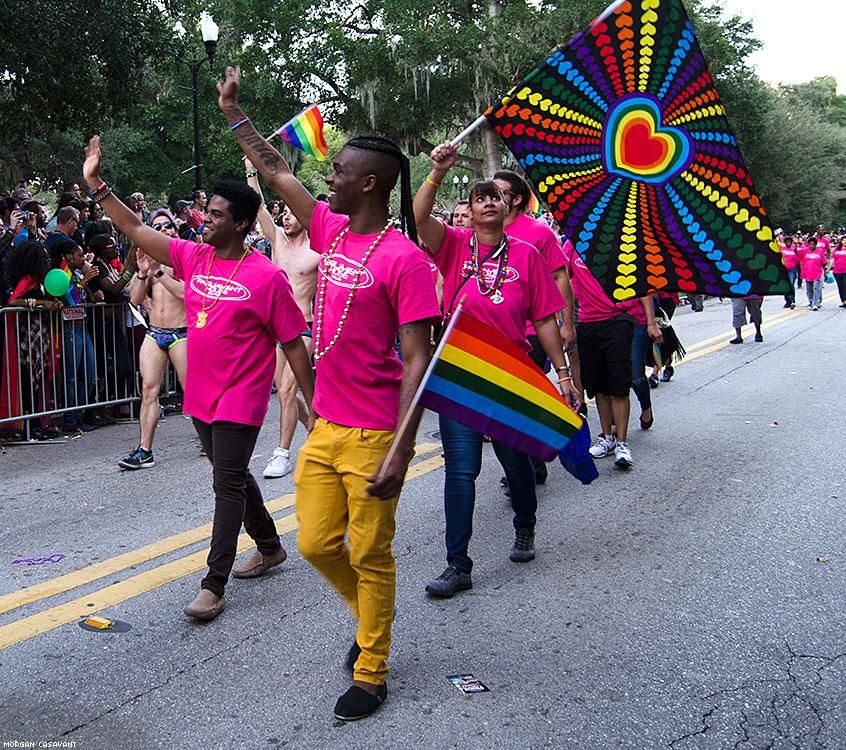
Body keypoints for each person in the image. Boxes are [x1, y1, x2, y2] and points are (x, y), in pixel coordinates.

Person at [217, 65, 440, 721]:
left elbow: (418, 359)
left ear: (368, 182)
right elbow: (277, 170)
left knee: (370, 552)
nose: (328, 179)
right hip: (328, 427)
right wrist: (235, 114)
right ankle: (369, 616)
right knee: (315, 543)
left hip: (375, 433)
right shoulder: (331, 231)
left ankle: (371, 669)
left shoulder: (405, 261)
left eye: (339, 171)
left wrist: (401, 452)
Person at [82, 135, 316, 624]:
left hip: (242, 398)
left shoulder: (265, 277)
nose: (204, 219)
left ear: (243, 223)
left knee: (226, 483)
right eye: (205, 212)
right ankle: (270, 546)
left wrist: (315, 403)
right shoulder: (194, 256)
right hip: (202, 395)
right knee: (228, 472)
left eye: (215, 214)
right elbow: (134, 227)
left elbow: (293, 343)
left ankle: (214, 583)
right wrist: (96, 184)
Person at [414, 142, 578, 597]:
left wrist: (563, 375)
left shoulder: (527, 254)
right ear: (468, 209)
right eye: (479, 197)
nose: (488, 201)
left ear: (508, 207)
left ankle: (525, 525)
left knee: (515, 461)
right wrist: (437, 173)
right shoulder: (452, 245)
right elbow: (420, 214)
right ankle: (457, 564)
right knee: (461, 469)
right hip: (461, 373)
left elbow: (545, 318)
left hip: (510, 371)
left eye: (495, 197)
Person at [245, 159, 320, 478]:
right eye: (284, 213)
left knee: (288, 390)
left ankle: (282, 453)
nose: (287, 217)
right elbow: (258, 204)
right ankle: (312, 423)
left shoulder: (317, 251)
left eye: (293, 212)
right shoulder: (276, 240)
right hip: (274, 327)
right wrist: (251, 170)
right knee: (281, 387)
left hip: (303, 328)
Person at [567, 249, 662, 468]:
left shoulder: (621, 244)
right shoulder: (571, 246)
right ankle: (607, 438)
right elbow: (561, 277)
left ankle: (622, 442)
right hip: (588, 322)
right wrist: (566, 321)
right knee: (599, 385)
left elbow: (642, 285)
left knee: (619, 384)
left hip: (619, 320)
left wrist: (650, 322)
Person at [119, 210, 188, 469]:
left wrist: (159, 274)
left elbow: (186, 294)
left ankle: (212, 439)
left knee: (192, 390)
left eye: (167, 226)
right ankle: (144, 449)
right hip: (155, 333)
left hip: (183, 333)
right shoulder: (149, 261)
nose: (163, 230)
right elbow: (135, 300)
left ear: (174, 229)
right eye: (156, 226)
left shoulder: (184, 257)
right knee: (148, 390)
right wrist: (143, 273)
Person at [797, 236, 826, 310]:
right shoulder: (804, 251)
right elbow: (796, 253)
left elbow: (824, 262)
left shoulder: (820, 251)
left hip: (817, 273)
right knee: (809, 289)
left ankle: (815, 304)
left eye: (813, 244)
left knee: (816, 288)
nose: (811, 246)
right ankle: (811, 302)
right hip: (807, 273)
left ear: (815, 245)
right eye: (810, 244)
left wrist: (825, 272)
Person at [826, 235, 846, 308]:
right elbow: (832, 259)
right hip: (837, 271)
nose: (845, 242)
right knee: (840, 286)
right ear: (841, 241)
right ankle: (843, 301)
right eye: (843, 240)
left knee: (845, 285)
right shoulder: (837, 250)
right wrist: (828, 268)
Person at [779, 235, 798, 309]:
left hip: (792, 269)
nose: (788, 243)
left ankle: (792, 300)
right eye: (787, 241)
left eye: (789, 241)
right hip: (784, 269)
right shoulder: (782, 249)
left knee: (791, 284)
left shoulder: (793, 250)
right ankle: (787, 301)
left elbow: (797, 261)